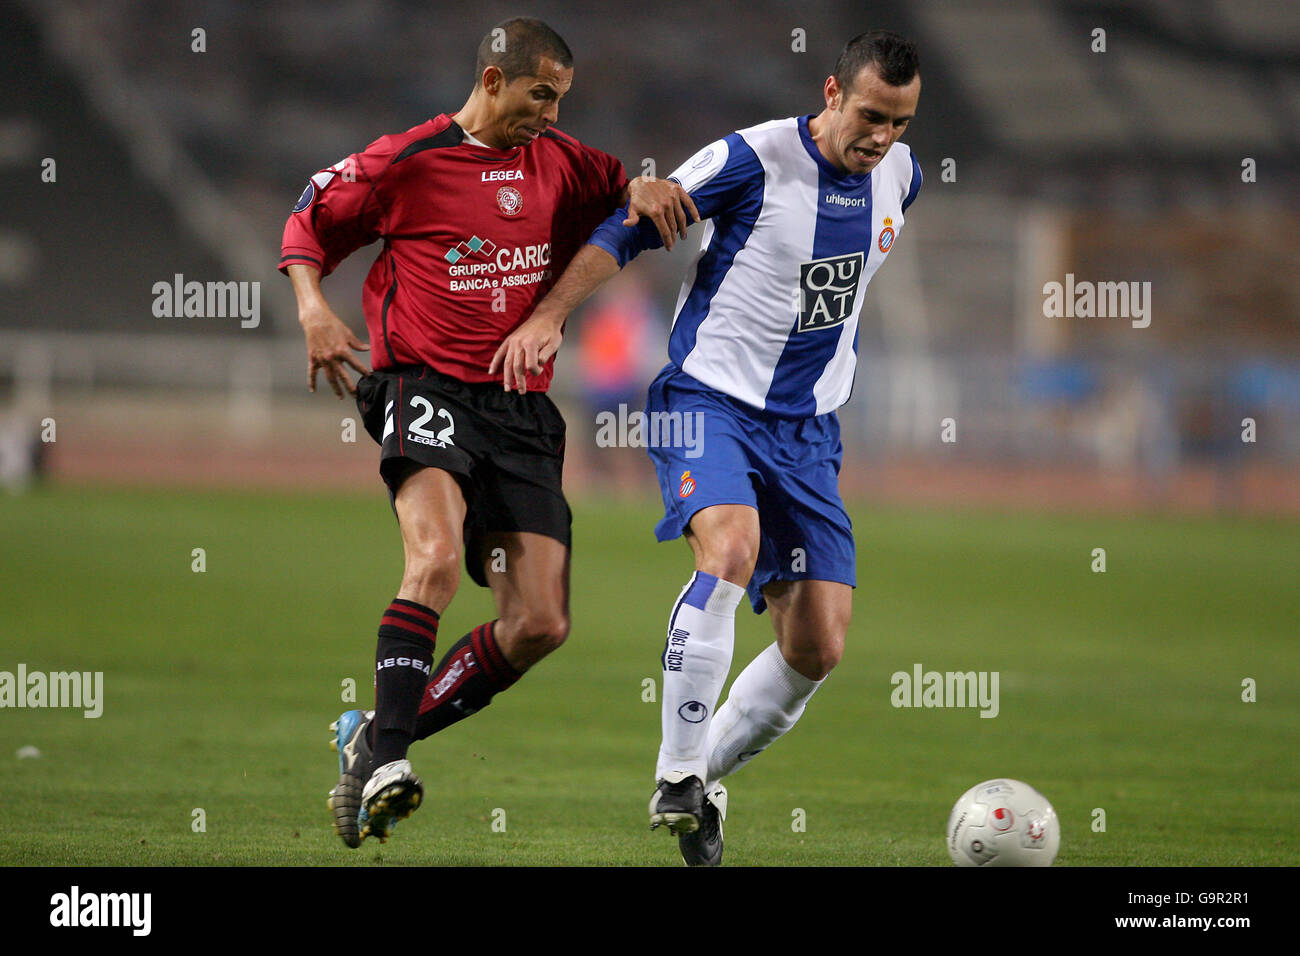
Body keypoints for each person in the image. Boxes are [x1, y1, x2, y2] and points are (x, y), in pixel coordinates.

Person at [500, 30, 922, 865]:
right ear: (832, 94)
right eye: (871, 115)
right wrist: (551, 315)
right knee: (731, 548)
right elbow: (632, 223)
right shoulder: (752, 159)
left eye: (901, 123)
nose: (882, 137)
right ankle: (677, 771)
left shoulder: (901, 180)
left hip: (808, 432)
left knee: (818, 645)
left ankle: (699, 782)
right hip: (708, 401)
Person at [279, 17, 696, 848]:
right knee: (432, 558)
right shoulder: (408, 161)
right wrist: (313, 310)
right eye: (541, 94)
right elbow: (308, 221)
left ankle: (375, 739)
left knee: (540, 622)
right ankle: (391, 760)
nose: (551, 112)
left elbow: (624, 194)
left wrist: (645, 188)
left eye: (562, 99)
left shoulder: (566, 164)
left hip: (519, 409)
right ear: (495, 79)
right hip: (421, 385)